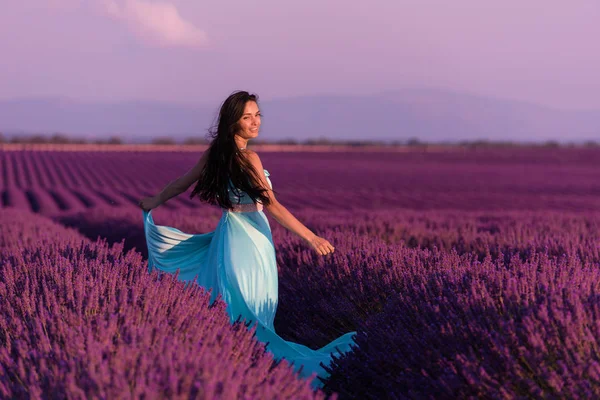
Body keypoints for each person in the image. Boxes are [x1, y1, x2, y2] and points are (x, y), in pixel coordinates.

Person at [138, 90, 357, 389]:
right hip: (252, 239)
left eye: (257, 115)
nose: (255, 122)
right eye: (247, 117)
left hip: (229, 233)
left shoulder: (215, 155)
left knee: (233, 300)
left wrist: (154, 200)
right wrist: (311, 237)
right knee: (255, 304)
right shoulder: (248, 157)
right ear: (233, 122)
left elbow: (181, 183)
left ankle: (235, 367)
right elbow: (272, 205)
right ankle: (263, 369)